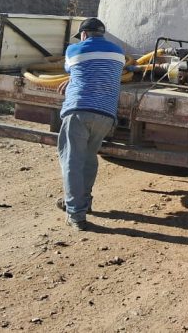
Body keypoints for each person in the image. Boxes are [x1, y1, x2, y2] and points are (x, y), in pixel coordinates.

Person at [55, 17, 125, 230]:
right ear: (102, 34)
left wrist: (71, 80)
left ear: (84, 34)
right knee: (88, 158)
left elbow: (72, 69)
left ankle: (76, 214)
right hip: (105, 114)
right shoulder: (119, 53)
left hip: (79, 110)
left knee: (72, 161)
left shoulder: (74, 50)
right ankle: (84, 202)